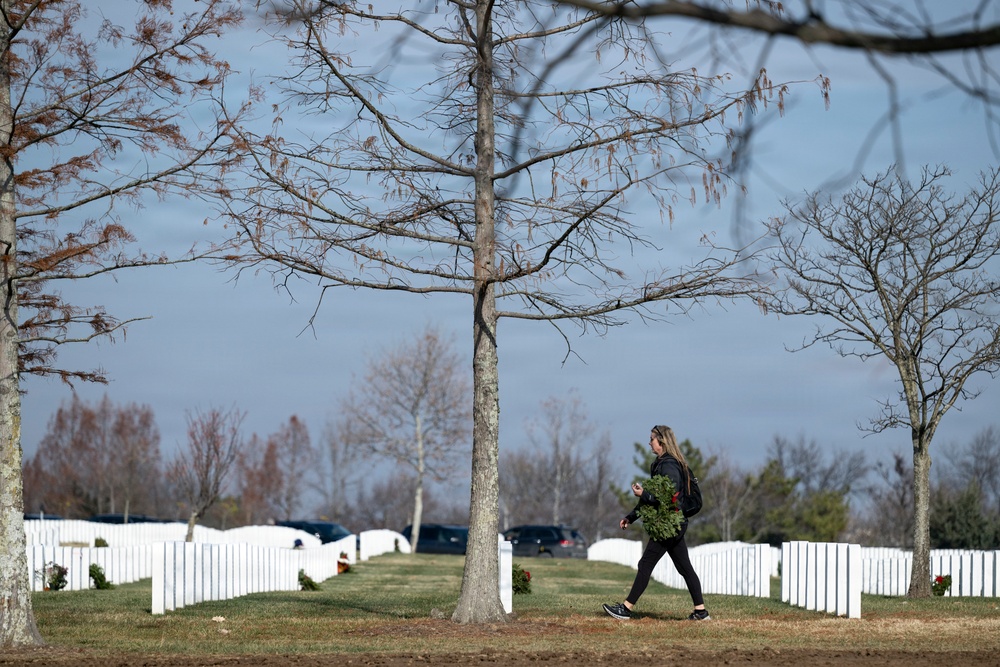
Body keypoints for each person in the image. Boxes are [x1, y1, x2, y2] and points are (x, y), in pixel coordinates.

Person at [603, 424, 710, 621]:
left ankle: (626, 609)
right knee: (685, 568)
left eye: (651, 439)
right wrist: (631, 517)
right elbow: (653, 499)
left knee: (646, 564)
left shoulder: (668, 465)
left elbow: (668, 497)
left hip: (668, 525)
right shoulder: (661, 463)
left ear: (661, 441)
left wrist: (644, 493)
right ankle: (701, 612)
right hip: (673, 523)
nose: (649, 442)